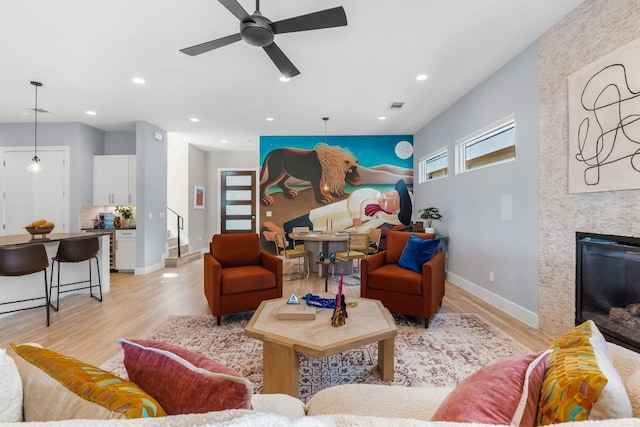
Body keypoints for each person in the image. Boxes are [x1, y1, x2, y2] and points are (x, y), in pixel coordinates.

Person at [263, 179, 412, 245]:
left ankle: (278, 237)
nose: (389, 197)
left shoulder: (381, 217)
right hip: (332, 213)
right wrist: (355, 217)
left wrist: (357, 229)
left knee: (310, 233)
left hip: (338, 226)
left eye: (394, 201)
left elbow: (372, 227)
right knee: (306, 220)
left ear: (395, 210)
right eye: (392, 194)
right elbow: (355, 198)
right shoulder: (371, 193)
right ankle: (281, 230)